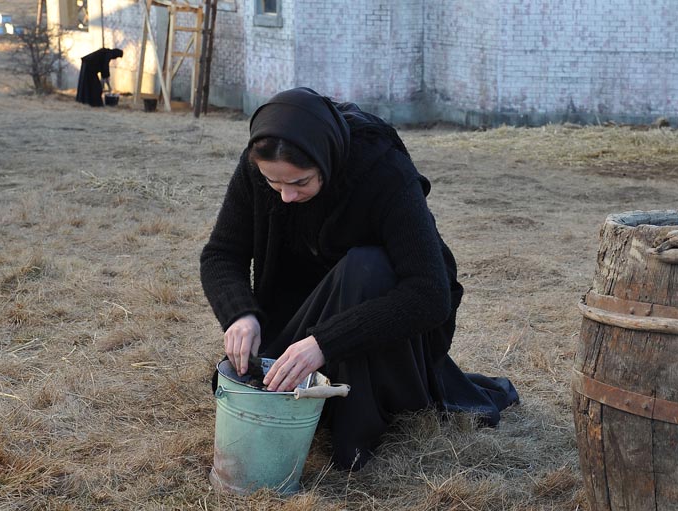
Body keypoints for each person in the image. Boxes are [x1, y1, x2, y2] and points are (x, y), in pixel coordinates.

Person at [200, 87, 519, 470]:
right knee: (243, 382)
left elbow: (429, 294)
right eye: (274, 183)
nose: (285, 196)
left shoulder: (384, 172)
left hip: (382, 325)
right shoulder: (261, 162)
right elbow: (222, 253)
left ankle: (357, 424)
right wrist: (239, 314)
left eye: (300, 183)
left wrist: (324, 343)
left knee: (365, 266)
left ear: (326, 158)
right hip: (302, 312)